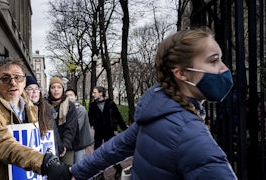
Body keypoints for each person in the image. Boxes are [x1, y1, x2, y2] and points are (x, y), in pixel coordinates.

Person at [63, 27, 237, 179]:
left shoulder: (156, 112)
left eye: (221, 59)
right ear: (182, 73)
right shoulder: (190, 133)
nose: (224, 68)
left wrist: (77, 171)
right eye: (214, 60)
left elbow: (115, 148)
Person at [0, 58, 70, 180]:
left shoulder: (30, 106)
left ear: (24, 81)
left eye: (17, 77)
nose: (13, 83)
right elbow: (5, 146)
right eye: (5, 78)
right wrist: (44, 162)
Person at [88, 86, 128, 179]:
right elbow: (89, 120)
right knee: (97, 153)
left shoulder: (110, 103)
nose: (93, 94)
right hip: (98, 132)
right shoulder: (92, 105)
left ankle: (118, 168)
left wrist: (125, 130)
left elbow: (118, 117)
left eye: (95, 92)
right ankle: (99, 173)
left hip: (109, 132)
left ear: (101, 93)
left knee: (111, 152)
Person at [25, 76, 64, 155]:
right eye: (30, 89)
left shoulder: (47, 109)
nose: (34, 92)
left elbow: (54, 132)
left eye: (36, 89)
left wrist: (60, 148)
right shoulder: (20, 110)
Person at [47, 76, 79, 165]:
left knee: (65, 170)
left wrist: (65, 145)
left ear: (63, 89)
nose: (56, 90)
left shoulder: (70, 105)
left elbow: (71, 127)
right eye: (53, 87)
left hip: (67, 146)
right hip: (50, 145)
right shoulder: (45, 104)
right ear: (49, 89)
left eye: (59, 87)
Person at [65, 88, 94, 163]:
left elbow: (77, 127)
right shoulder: (65, 109)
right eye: (67, 95)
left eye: (71, 95)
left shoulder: (80, 110)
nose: (69, 97)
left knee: (79, 163)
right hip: (72, 143)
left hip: (80, 143)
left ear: (76, 97)